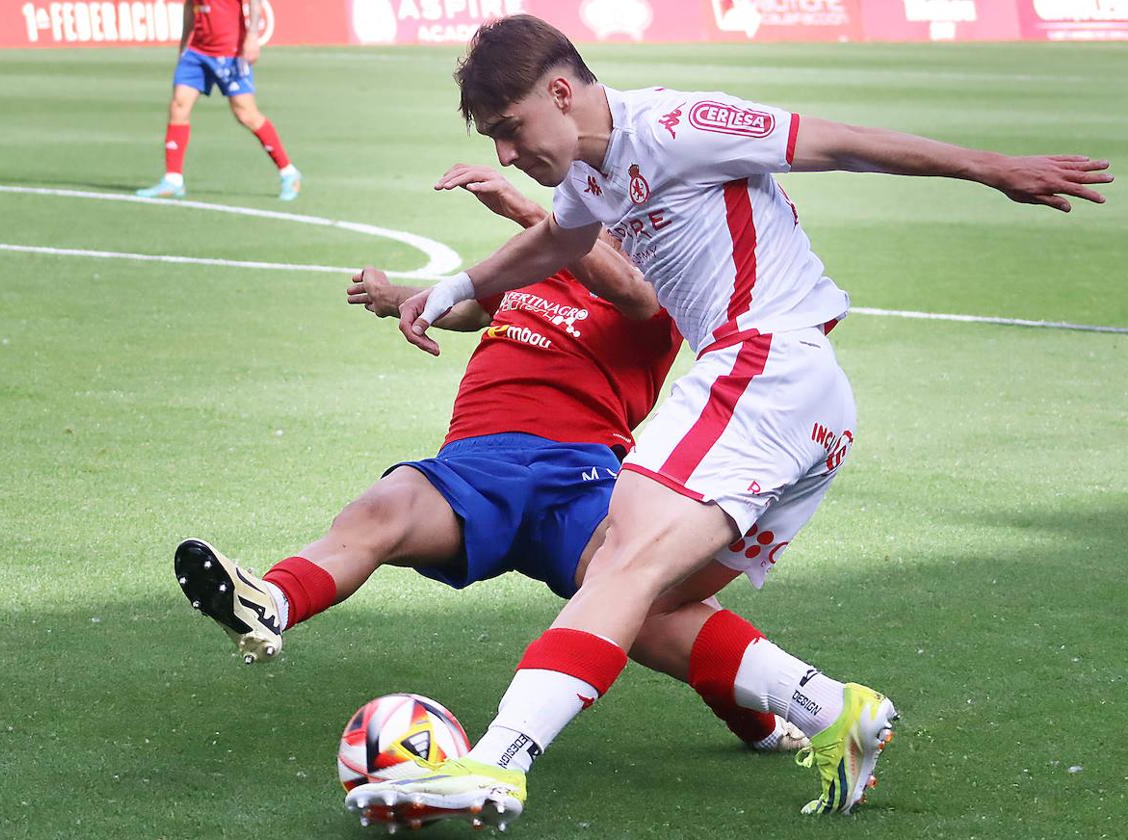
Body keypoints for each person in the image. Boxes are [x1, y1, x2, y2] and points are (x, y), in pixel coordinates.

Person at [344, 14, 1114, 829]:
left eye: (510, 128)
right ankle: (832, 712)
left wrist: (996, 169)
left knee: (618, 572)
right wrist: (453, 291)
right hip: (801, 406)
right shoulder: (587, 181)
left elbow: (837, 141)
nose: (505, 154)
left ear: (561, 93)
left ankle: (495, 766)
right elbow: (552, 245)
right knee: (642, 596)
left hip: (764, 365)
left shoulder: (678, 125)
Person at [173, 165, 828, 796]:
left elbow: (635, 294)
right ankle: (269, 605)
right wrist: (397, 298)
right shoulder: (538, 261)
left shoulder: (660, 279)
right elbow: (471, 306)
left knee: (651, 601)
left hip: (584, 475)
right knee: (381, 510)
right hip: (477, 465)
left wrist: (527, 213)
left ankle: (763, 716)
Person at [136, 0, 301, 201]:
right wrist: (183, 45)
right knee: (179, 105)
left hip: (230, 51)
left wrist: (252, 36)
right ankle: (173, 179)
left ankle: (288, 172)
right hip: (197, 52)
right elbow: (190, 6)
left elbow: (254, 2)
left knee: (246, 114)